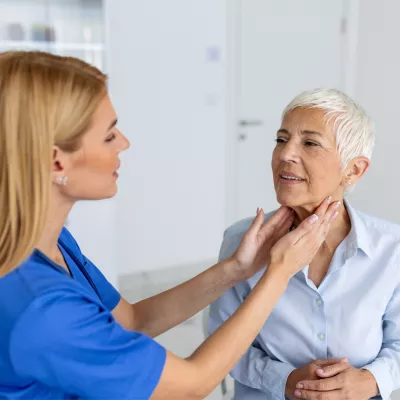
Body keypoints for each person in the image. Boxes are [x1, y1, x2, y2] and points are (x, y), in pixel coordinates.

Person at [0, 51, 342, 400]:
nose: (125, 143)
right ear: (57, 161)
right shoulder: (41, 308)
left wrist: (236, 269)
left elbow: (131, 320)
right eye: (108, 135)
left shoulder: (47, 243)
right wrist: (279, 273)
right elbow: (191, 385)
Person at [209, 88, 400, 400]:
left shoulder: (391, 248)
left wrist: (370, 380)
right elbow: (220, 347)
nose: (286, 154)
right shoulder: (241, 242)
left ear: (353, 170)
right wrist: (282, 380)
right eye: (281, 139)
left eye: (309, 143)